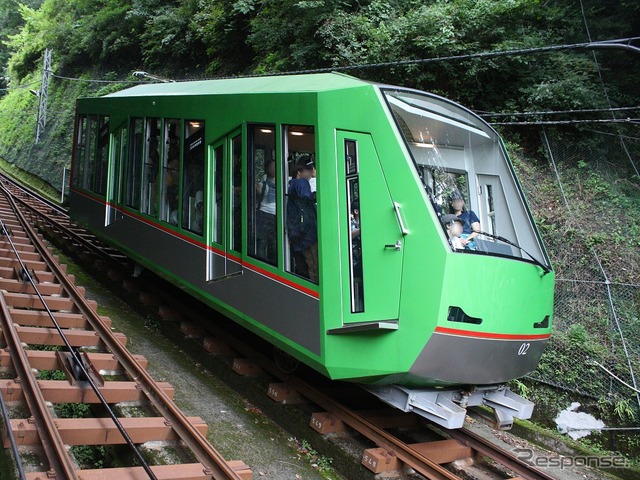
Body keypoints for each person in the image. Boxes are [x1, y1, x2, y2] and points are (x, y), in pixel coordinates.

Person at [287, 157, 318, 283]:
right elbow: (306, 197)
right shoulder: (302, 183)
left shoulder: (291, 185)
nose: (311, 172)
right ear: (299, 172)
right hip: (307, 234)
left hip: (297, 233)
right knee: (314, 266)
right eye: (309, 169)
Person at [255, 160, 277, 264]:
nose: (274, 168)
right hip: (264, 214)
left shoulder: (283, 181)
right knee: (262, 242)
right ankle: (261, 264)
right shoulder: (262, 182)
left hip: (277, 215)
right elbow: (259, 194)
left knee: (274, 243)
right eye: (272, 166)